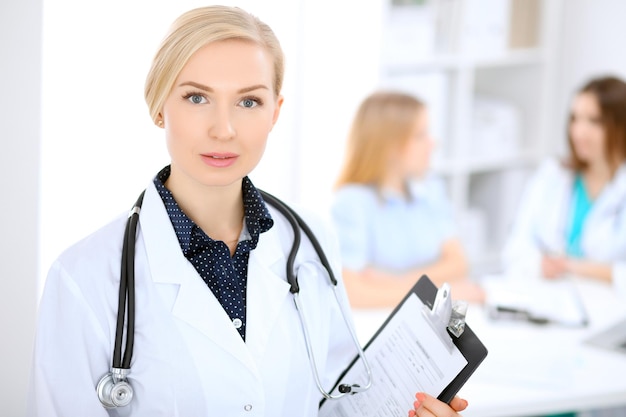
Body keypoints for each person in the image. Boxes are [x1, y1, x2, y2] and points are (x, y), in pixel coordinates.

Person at [27, 6, 468, 417]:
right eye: (197, 98)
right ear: (160, 105)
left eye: (249, 101)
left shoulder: (311, 241)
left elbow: (338, 403)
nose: (224, 129)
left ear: (275, 112)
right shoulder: (84, 278)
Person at [330, 91, 485, 308]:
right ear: (390, 145)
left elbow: (458, 264)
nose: (433, 143)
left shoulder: (431, 188)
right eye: (420, 135)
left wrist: (394, 283)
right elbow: (353, 293)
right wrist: (436, 292)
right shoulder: (352, 202)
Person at [502, 75, 626, 294]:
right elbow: (514, 249)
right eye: (575, 119)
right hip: (548, 296)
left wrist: (573, 267)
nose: (579, 132)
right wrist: (541, 265)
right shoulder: (553, 175)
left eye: (594, 121)